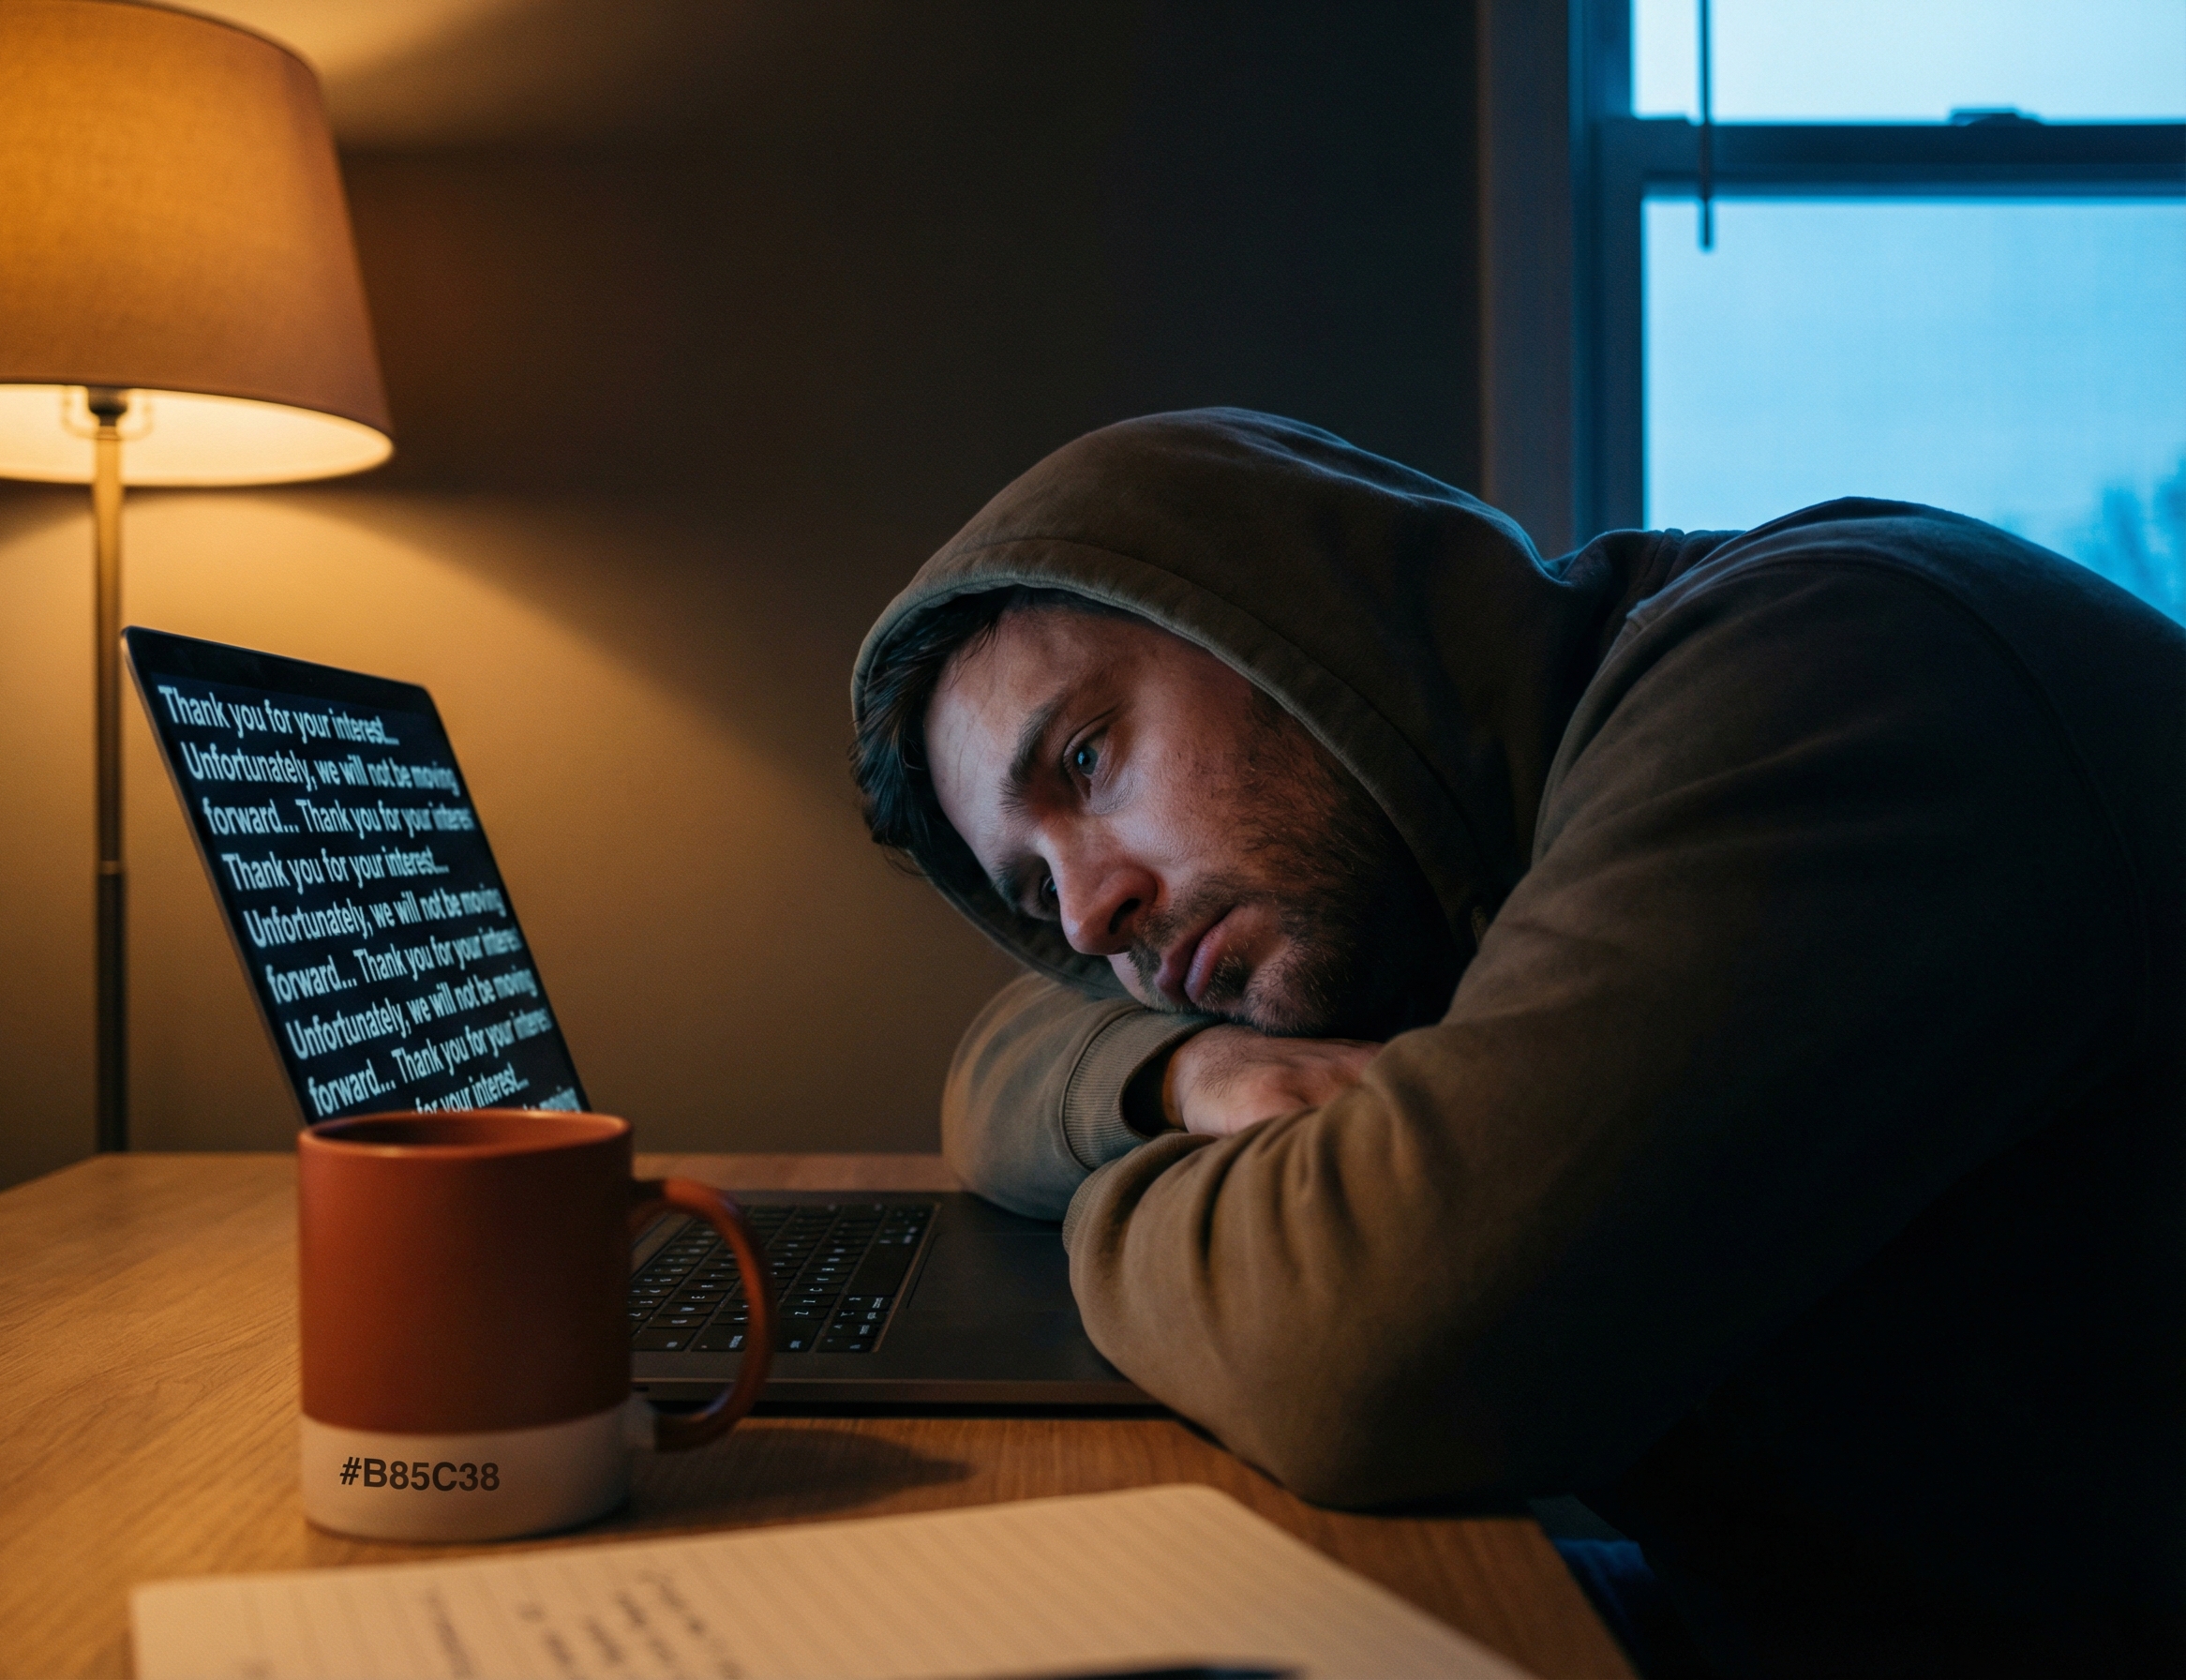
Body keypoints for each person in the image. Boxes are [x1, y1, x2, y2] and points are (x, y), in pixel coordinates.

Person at [847, 409, 2185, 1677]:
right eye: (1034, 890)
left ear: (1273, 620)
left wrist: (1106, 1189)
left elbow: (1361, 1353)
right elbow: (998, 1060)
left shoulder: (1835, 669)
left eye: (1086, 761)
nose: (1092, 915)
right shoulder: (1424, 886)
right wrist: (1180, 1073)